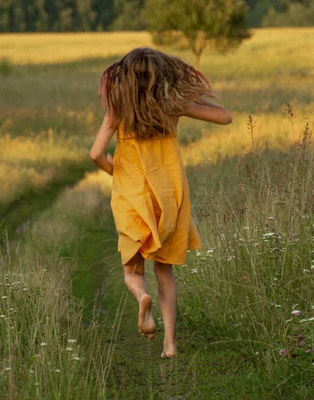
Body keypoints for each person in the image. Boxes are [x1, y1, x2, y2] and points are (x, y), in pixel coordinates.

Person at [89, 47, 232, 359]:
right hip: (168, 195)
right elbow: (225, 117)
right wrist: (188, 98)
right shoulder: (171, 105)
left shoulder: (119, 110)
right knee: (165, 271)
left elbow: (95, 154)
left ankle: (142, 297)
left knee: (132, 269)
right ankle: (170, 344)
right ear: (160, 74)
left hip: (132, 196)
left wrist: (116, 170)